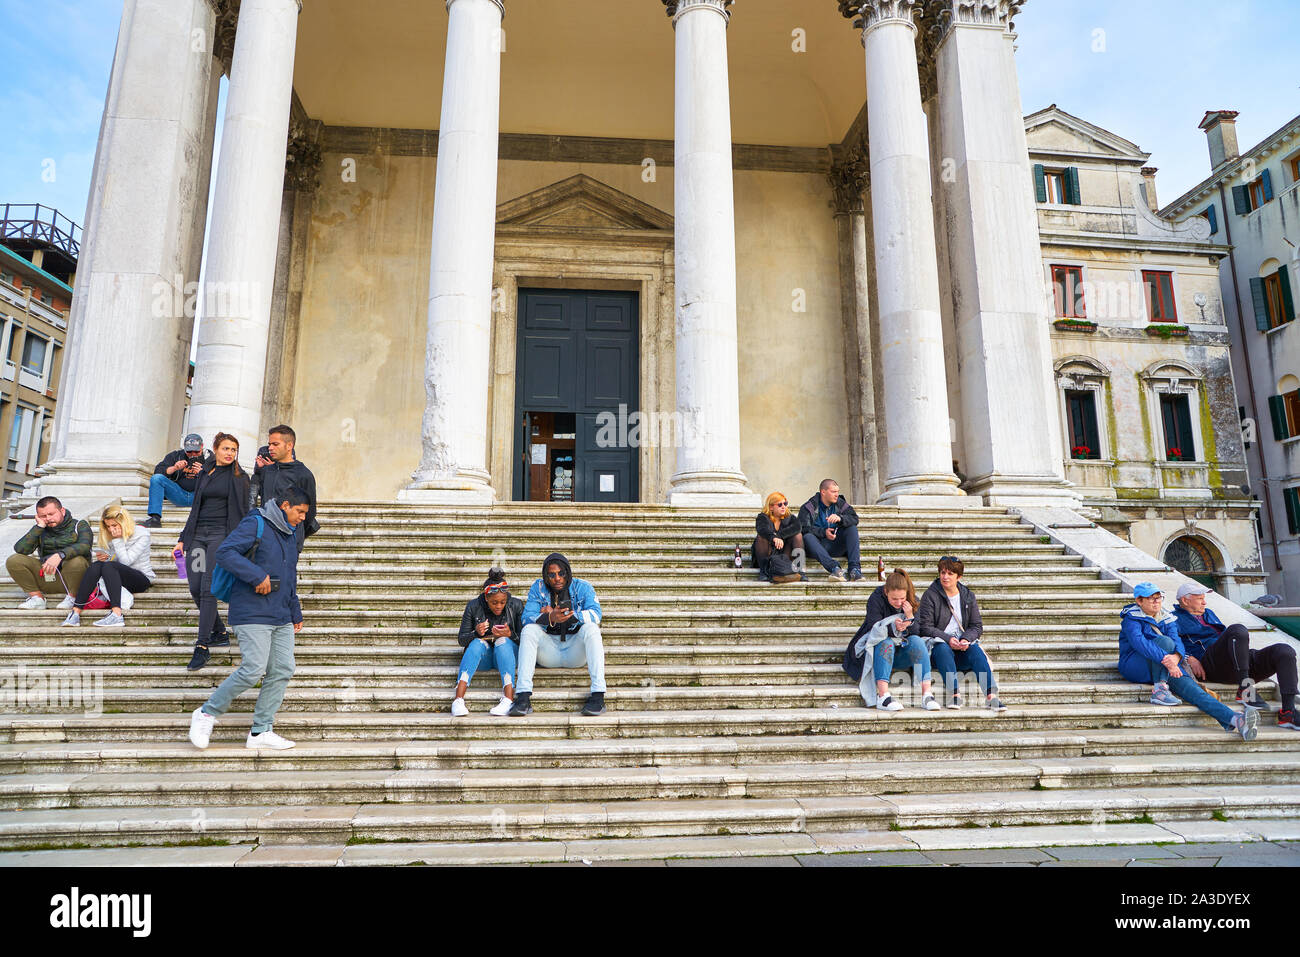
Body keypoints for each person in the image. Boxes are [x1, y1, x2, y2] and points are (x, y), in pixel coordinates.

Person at [187, 486, 309, 751]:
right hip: (251, 611)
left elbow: (289, 575)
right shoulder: (256, 523)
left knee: (283, 670)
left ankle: (260, 731)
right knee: (253, 668)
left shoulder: (290, 533)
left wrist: (295, 609)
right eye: (299, 512)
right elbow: (225, 552)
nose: (302, 518)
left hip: (281, 613)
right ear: (285, 505)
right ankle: (207, 712)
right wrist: (257, 576)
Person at [1118, 582, 1257, 741]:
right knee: (1165, 642)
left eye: (1158, 598)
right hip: (1135, 664)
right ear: (1139, 601)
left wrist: (1176, 658)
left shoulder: (1167, 617)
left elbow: (1178, 643)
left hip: (1165, 666)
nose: (1156, 602)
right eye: (1151, 599)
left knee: (1193, 690)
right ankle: (1159, 689)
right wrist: (1169, 662)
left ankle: (1236, 720)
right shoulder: (1131, 618)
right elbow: (1140, 644)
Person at [1172, 582, 1299, 731]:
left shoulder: (1209, 613)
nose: (1204, 602)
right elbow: (1170, 642)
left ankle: (1288, 712)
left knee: (1284, 651)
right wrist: (1188, 657)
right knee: (1237, 630)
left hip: (1235, 662)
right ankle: (1245, 689)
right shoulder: (1173, 618)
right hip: (1211, 664)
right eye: (1200, 598)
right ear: (1185, 600)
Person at [176, 432, 251, 671]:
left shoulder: (240, 477)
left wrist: (240, 543)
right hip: (199, 536)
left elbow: (243, 512)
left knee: (209, 588)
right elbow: (195, 508)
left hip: (221, 536)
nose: (230, 453)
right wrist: (182, 540)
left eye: (233, 450)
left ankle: (202, 646)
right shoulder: (205, 473)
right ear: (216, 449)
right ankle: (218, 630)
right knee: (195, 587)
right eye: (226, 448)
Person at [509, 552, 606, 717]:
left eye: (561, 573)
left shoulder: (583, 587)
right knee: (529, 630)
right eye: (552, 575)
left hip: (576, 652)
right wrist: (549, 617)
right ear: (546, 577)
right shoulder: (538, 588)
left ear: (567, 573)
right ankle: (523, 696)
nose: (557, 578)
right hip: (549, 651)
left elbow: (597, 615)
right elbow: (525, 619)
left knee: (592, 629)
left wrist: (572, 615)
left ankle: (598, 695)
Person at [843, 568, 941, 712]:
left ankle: (927, 694)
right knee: (885, 641)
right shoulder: (876, 598)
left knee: (917, 641)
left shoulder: (913, 600)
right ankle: (883, 696)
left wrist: (909, 619)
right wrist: (895, 628)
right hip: (878, 653)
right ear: (886, 591)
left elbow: (917, 632)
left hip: (901, 653)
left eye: (902, 598)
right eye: (894, 599)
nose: (899, 602)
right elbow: (873, 627)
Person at [917, 556, 1005, 711]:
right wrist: (948, 639)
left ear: (959, 577)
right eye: (943, 572)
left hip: (961, 650)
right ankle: (954, 695)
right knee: (942, 647)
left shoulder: (968, 596)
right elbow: (925, 627)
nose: (945, 577)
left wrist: (965, 639)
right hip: (938, 651)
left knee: (975, 650)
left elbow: (976, 626)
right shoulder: (930, 595)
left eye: (950, 573)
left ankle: (991, 697)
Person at [62, 505, 155, 627]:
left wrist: (117, 540)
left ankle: (116, 614)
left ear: (124, 522)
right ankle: (75, 613)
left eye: (114, 526)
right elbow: (116, 561)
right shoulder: (112, 536)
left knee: (109, 566)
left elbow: (127, 561)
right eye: (108, 526)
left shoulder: (142, 534)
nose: (111, 530)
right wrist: (106, 558)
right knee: (97, 565)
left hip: (142, 578)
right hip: (119, 576)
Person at [452, 568, 523, 717]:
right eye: (494, 602)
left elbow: (525, 639)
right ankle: (458, 699)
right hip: (483, 657)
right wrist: (476, 632)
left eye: (502, 602)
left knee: (502, 641)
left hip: (505, 655)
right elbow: (462, 639)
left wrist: (511, 634)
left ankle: (508, 699)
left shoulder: (515, 605)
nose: (499, 606)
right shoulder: (473, 606)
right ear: (486, 598)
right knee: (478, 643)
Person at [7, 496, 92, 610]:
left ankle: (73, 598)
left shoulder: (79, 525)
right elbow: (21, 549)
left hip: (74, 579)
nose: (48, 518)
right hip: (48, 576)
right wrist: (39, 527)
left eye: (51, 514)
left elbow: (84, 546)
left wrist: (60, 555)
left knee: (77, 561)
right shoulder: (41, 529)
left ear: (62, 511)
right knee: (14, 560)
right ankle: (37, 599)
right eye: (43, 516)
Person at [252, 425, 319, 540]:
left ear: (289, 446)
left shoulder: (303, 474)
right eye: (269, 444)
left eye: (275, 444)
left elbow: (310, 512)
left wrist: (295, 534)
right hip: (265, 536)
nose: (270, 448)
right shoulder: (267, 471)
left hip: (289, 538)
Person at [798, 478, 862, 582]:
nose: (836, 494)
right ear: (823, 492)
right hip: (817, 547)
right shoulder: (809, 507)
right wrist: (824, 533)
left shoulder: (840, 503)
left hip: (835, 545)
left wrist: (841, 519)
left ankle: (854, 570)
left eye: (837, 492)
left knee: (852, 528)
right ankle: (835, 569)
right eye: (833, 492)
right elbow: (803, 528)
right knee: (807, 537)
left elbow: (855, 518)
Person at [143, 433, 211, 528]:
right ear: (184, 448)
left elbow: (219, 479)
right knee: (156, 478)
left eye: (196, 451)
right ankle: (155, 518)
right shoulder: (175, 456)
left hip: (198, 496)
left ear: (202, 446)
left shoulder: (209, 457)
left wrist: (203, 472)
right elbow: (158, 472)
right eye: (189, 451)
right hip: (178, 494)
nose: (193, 454)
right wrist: (174, 468)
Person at [753, 491, 805, 584]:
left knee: (798, 535)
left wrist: (779, 536)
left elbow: (797, 527)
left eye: (785, 503)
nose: (783, 506)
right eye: (780, 504)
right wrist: (773, 538)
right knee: (761, 537)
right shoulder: (763, 517)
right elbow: (762, 529)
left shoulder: (790, 518)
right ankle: (764, 572)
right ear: (771, 507)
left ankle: (799, 569)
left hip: (785, 553)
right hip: (769, 553)